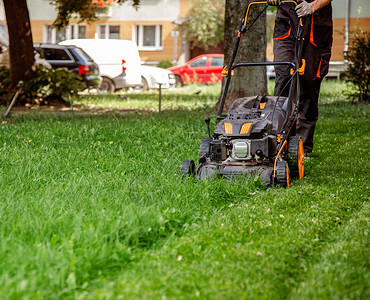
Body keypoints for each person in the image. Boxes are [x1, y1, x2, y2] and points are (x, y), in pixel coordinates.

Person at [268, 0, 333, 155]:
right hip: (287, 23)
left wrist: (314, 5)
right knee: (284, 76)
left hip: (316, 24)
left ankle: (302, 147)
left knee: (309, 82)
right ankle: (280, 142)